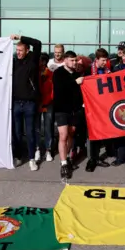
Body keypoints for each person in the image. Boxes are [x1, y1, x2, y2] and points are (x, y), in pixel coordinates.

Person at [10, 34, 42, 171]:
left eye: (21, 50)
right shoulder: (13, 62)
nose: (18, 53)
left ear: (27, 50)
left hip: (29, 103)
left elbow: (38, 42)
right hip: (16, 103)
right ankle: (18, 156)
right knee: (16, 133)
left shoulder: (32, 60)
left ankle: (31, 159)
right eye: (16, 50)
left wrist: (20, 37)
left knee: (29, 132)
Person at [53, 51, 84, 180]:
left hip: (74, 110)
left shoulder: (77, 73)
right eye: (72, 60)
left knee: (71, 133)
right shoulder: (58, 73)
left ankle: (68, 156)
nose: (74, 62)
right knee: (63, 135)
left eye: (75, 60)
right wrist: (75, 82)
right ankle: (64, 163)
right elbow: (60, 89)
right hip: (61, 109)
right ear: (65, 60)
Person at [85, 48, 112, 172]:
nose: (104, 62)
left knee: (100, 132)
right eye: (102, 60)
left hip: (103, 105)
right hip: (91, 105)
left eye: (106, 60)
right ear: (96, 60)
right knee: (91, 133)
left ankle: (97, 157)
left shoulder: (108, 70)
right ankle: (92, 159)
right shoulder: (88, 70)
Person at [35, 53, 54, 163]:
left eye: (43, 61)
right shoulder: (34, 74)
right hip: (37, 104)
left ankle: (48, 150)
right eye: (40, 61)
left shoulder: (51, 74)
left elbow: (53, 91)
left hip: (48, 105)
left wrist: (46, 102)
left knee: (48, 128)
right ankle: (37, 149)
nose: (41, 64)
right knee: (36, 128)